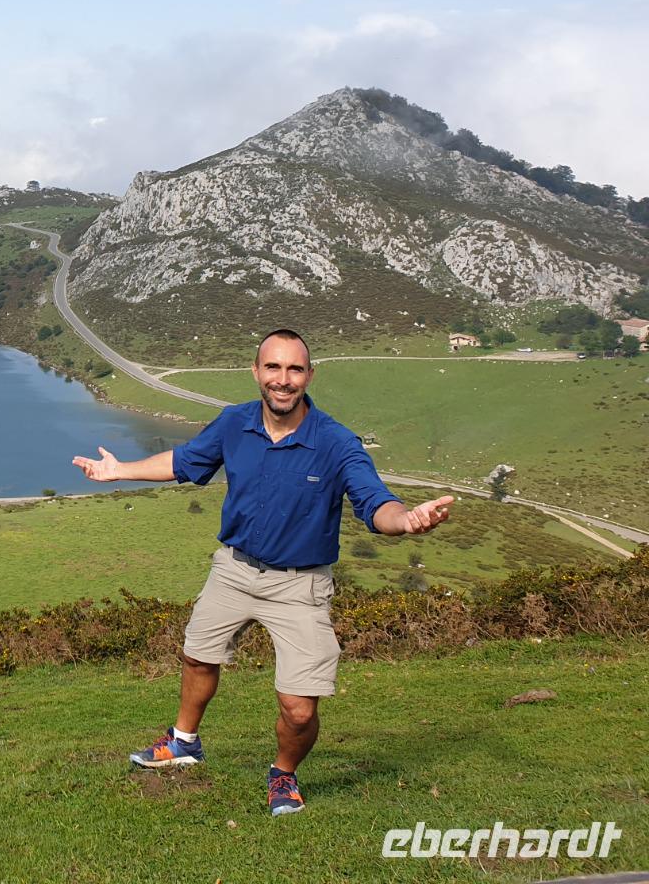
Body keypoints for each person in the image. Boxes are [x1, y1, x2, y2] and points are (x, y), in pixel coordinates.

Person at [71, 328, 453, 816]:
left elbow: (375, 502)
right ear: (256, 372)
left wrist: (406, 521)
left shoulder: (336, 443)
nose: (283, 379)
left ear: (309, 376)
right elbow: (186, 461)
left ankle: (283, 773)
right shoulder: (235, 423)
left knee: (300, 710)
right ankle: (184, 742)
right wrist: (120, 470)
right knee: (198, 655)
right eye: (273, 367)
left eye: (294, 369)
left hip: (300, 584)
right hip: (234, 570)